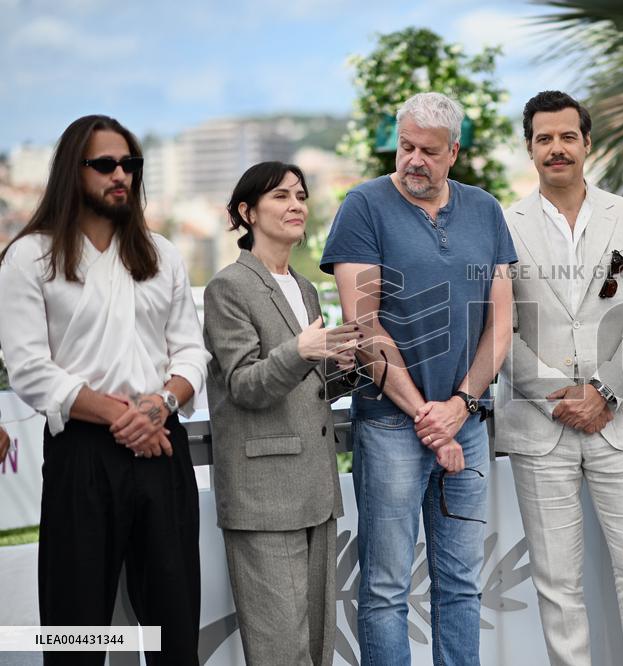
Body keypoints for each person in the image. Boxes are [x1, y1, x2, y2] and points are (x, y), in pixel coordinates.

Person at [0, 115, 209, 665]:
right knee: (76, 632)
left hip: (161, 448)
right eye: (105, 164)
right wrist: (126, 418)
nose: (121, 175)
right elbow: (29, 368)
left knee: (174, 632)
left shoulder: (161, 254)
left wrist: (159, 406)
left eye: (130, 164)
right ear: (74, 170)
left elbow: (192, 353)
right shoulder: (30, 256)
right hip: (82, 455)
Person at [320, 92, 516, 665]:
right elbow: (364, 323)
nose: (414, 160)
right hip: (389, 426)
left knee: (461, 585)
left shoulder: (485, 210)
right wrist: (428, 416)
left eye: (429, 151)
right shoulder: (363, 206)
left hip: (466, 425)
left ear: (453, 152)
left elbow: (501, 323)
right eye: (406, 146)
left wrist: (460, 405)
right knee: (386, 589)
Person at [494, 90, 623, 666]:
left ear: (587, 143)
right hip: (540, 429)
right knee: (557, 583)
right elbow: (499, 330)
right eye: (544, 138)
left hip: (620, 424)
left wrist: (603, 391)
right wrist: (559, 397)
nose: (557, 148)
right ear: (529, 149)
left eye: (567, 136)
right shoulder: (503, 224)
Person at [202, 162, 362, 664]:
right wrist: (302, 351)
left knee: (318, 648)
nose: (296, 205)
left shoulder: (306, 287)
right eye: (280, 196)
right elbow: (243, 384)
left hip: (315, 490)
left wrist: (345, 369)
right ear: (246, 213)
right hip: (264, 495)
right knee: (280, 652)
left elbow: (304, 386)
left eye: (300, 196)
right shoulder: (228, 287)